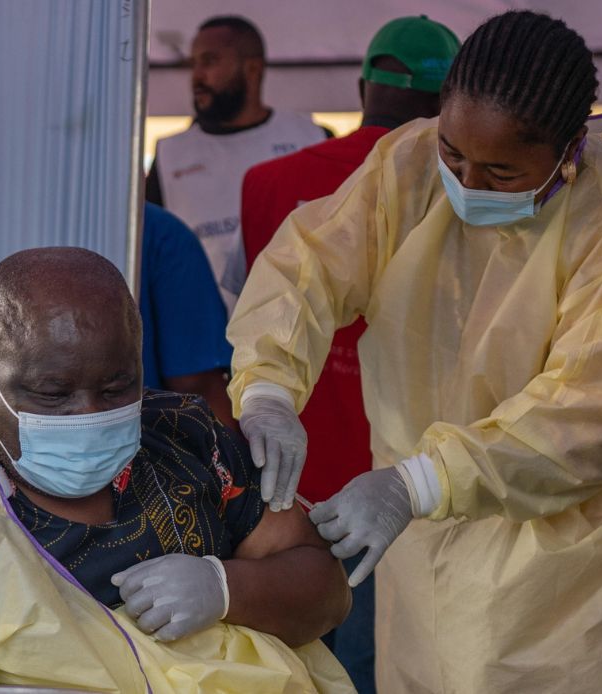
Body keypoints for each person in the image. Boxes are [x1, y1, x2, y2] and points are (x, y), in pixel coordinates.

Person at [227, 10, 602, 693]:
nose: (466, 185)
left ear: (570, 149)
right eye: (454, 156)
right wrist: (266, 389)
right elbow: (307, 267)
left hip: (592, 568)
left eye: (500, 172)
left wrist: (418, 483)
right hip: (429, 540)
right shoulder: (408, 164)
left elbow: (588, 420)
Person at [0, 248, 352, 693]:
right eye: (54, 394)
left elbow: (325, 591)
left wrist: (227, 587)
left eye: (117, 386)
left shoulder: (182, 434)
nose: (90, 414)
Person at [238, 15, 459, 693]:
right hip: (409, 482)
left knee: (280, 663)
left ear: (363, 82)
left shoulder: (267, 182)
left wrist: (267, 397)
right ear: (450, 101)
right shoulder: (459, 189)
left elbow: (278, 311)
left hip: (286, 473)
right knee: (381, 668)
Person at [145, 15, 329, 313]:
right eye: (193, 63)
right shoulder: (170, 154)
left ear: (253, 69)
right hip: (202, 340)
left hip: (294, 329)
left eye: (210, 61)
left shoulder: (310, 137)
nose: (197, 76)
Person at [139, 202, 235, 428]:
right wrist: (233, 458)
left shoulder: (157, 232)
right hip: (144, 448)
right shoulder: (158, 230)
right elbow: (195, 384)